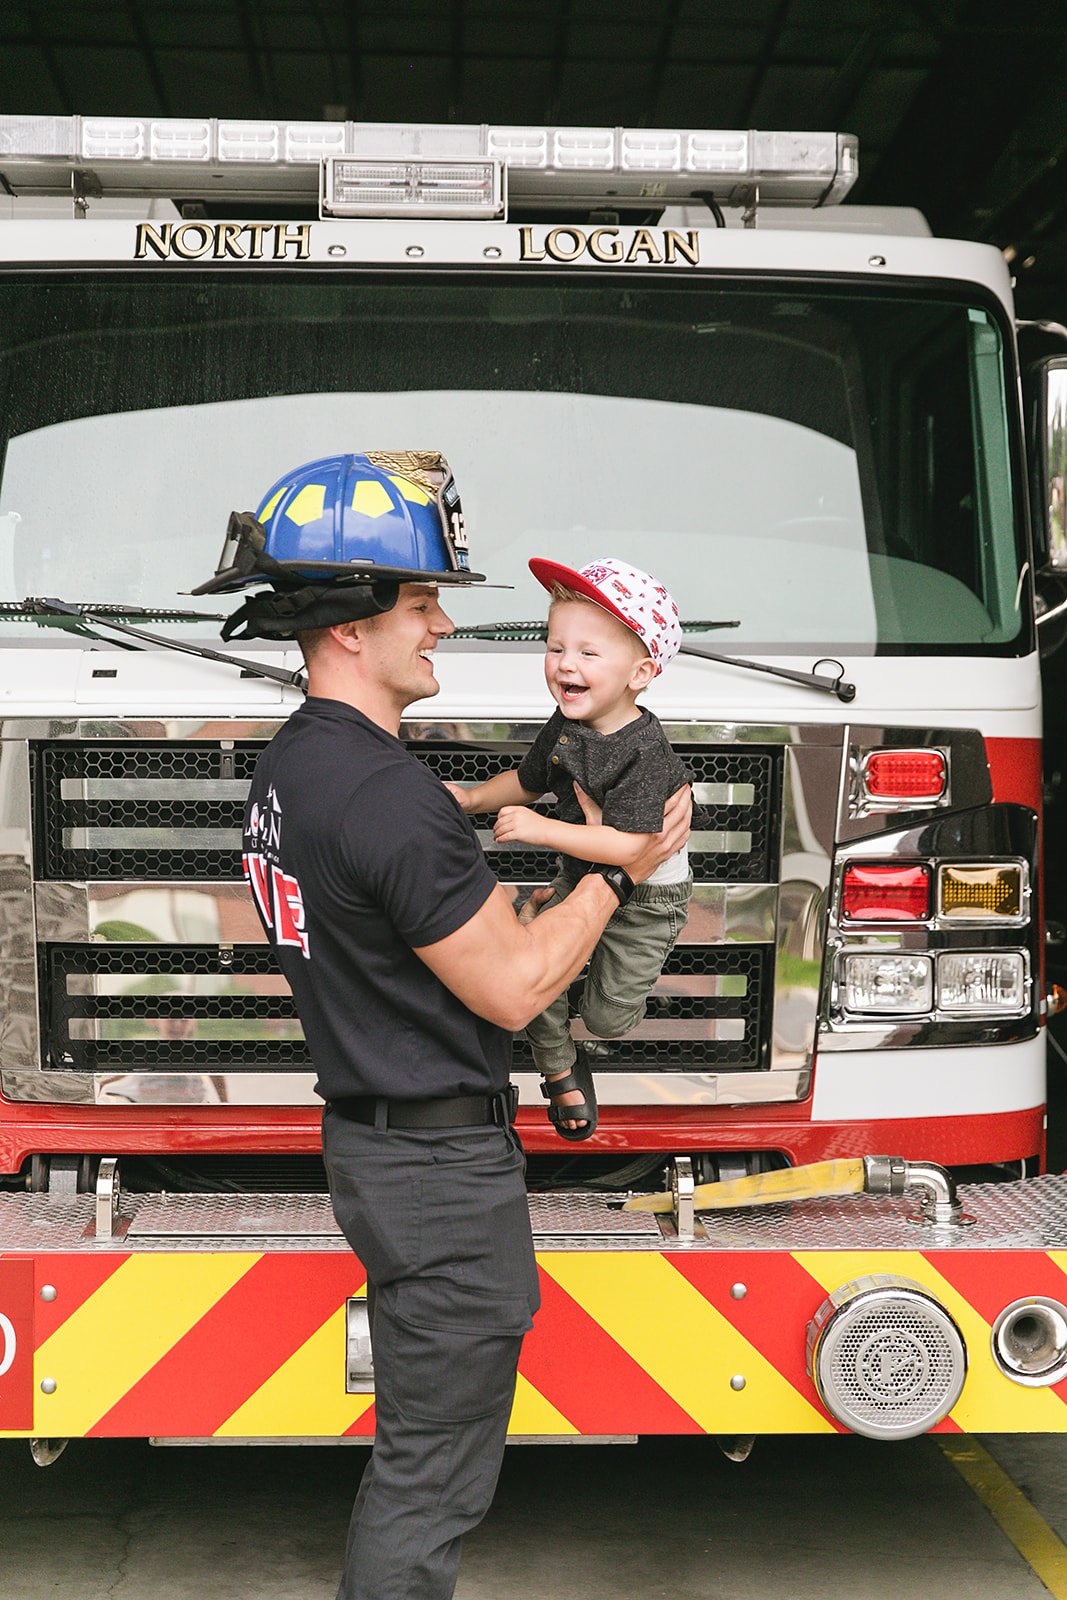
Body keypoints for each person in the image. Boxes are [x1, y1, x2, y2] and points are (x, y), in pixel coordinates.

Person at [193, 452, 691, 1600]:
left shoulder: (299, 767)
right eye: (421, 604)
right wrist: (625, 868)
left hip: (379, 1141)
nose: (444, 623)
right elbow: (515, 989)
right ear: (351, 629)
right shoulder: (380, 794)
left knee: (419, 1463)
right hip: (433, 1168)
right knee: (428, 1480)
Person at [445, 557, 692, 1142]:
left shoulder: (641, 750)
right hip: (583, 878)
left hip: (646, 899)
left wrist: (540, 829)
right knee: (526, 976)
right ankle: (559, 1068)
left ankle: (587, 982)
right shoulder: (566, 723)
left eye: (588, 653)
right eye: (555, 648)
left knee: (607, 1020)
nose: (565, 665)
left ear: (640, 672)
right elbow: (530, 781)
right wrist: (474, 798)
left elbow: (632, 846)